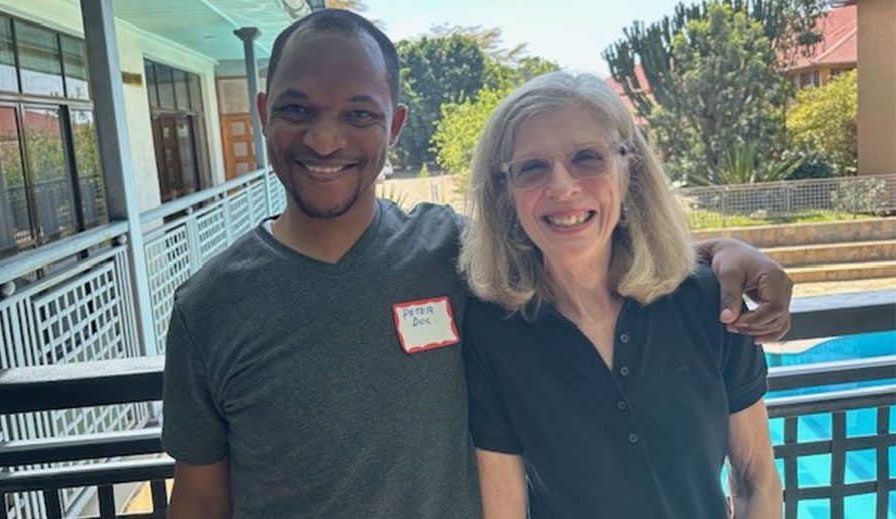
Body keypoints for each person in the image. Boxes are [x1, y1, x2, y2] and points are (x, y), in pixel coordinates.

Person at [161, 9, 790, 519]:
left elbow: (578, 241)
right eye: (298, 110)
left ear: (395, 125)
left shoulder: (447, 252)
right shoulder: (208, 308)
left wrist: (726, 257)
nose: (326, 140)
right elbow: (200, 502)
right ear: (266, 112)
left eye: (358, 114)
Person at [459, 72, 783, 519]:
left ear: (627, 170)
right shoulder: (494, 330)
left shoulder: (707, 301)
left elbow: (757, 482)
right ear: (505, 192)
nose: (562, 187)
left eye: (586, 158)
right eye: (532, 167)